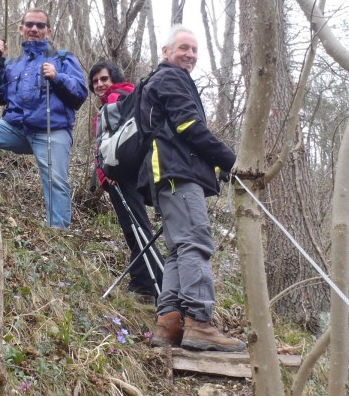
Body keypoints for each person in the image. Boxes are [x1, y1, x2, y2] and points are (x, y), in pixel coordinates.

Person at [145, 26, 246, 353]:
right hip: (176, 173)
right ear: (166, 51)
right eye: (183, 48)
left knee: (180, 249)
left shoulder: (161, 80)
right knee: (195, 243)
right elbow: (189, 126)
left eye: (193, 49)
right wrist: (231, 162)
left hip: (166, 175)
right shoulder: (171, 78)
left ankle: (170, 323)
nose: (189, 54)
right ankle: (200, 323)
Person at [0, 9, 88, 228]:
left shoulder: (63, 58)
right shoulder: (13, 64)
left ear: (49, 31)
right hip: (17, 129)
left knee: (56, 180)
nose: (34, 29)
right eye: (29, 25)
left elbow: (80, 94)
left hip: (52, 130)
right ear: (21, 29)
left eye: (40, 26)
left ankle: (58, 232)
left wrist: (58, 76)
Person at [89, 61, 163, 302]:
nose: (99, 84)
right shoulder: (129, 97)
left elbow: (111, 142)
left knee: (136, 229)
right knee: (138, 227)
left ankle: (147, 286)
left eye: (103, 79)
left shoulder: (115, 100)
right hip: (136, 173)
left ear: (114, 79)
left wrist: (108, 172)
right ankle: (152, 283)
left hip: (121, 175)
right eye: (95, 81)